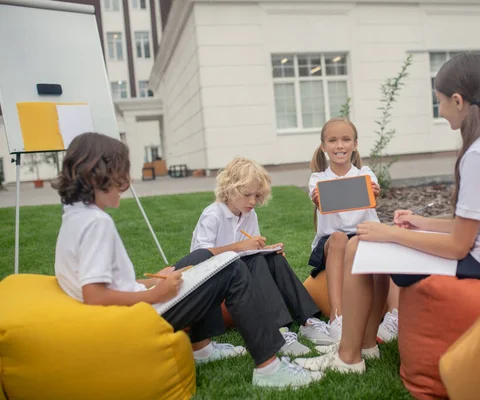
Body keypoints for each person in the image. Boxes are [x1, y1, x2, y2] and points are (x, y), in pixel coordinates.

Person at [295, 52, 480, 373]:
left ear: (458, 100)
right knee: (364, 246)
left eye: (439, 102)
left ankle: (349, 357)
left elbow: (459, 246)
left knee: (361, 246)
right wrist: (421, 223)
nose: (440, 112)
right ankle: (365, 346)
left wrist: (392, 232)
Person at [53, 132, 323, 388]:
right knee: (232, 269)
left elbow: (106, 283)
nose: (126, 183)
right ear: (99, 175)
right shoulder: (96, 224)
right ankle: (269, 368)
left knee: (203, 257)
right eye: (122, 174)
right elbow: (95, 296)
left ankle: (202, 348)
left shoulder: (76, 216)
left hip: (137, 302)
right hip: (142, 312)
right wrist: (155, 293)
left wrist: (148, 282)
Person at [190, 156, 334, 355]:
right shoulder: (213, 214)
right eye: (247, 194)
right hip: (214, 281)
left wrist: (266, 250)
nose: (252, 201)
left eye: (257, 196)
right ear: (230, 189)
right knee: (257, 260)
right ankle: (279, 331)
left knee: (273, 259)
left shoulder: (249, 214)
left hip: (240, 272)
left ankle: (309, 321)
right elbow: (200, 257)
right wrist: (242, 247)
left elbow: (250, 252)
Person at [307, 117, 381, 341]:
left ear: (355, 144)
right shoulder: (318, 178)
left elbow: (371, 195)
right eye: (333, 140)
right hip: (332, 243)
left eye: (346, 139)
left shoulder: (365, 174)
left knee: (388, 237)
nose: (340, 145)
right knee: (339, 237)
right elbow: (322, 201)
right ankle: (337, 319)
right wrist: (320, 199)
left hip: (363, 236)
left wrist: (372, 192)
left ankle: (392, 316)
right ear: (324, 147)